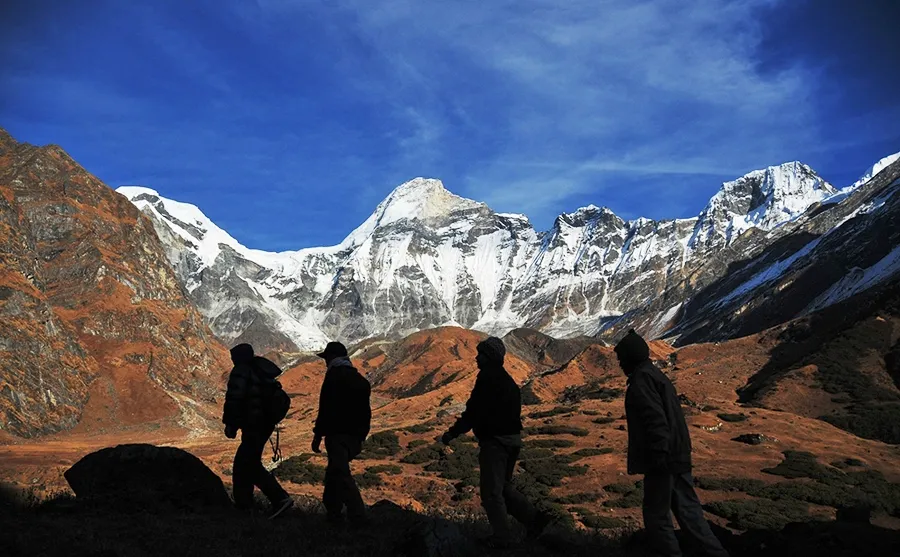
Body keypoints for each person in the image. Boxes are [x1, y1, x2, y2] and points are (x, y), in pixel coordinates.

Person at [615, 329, 729, 557]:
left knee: (657, 517)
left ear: (630, 357)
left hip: (663, 460)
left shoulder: (642, 380)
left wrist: (658, 456)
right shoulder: (655, 375)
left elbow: (655, 421)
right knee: (690, 513)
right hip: (677, 455)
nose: (619, 363)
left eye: (621, 358)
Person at [440, 336, 551, 549]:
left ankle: (502, 539)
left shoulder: (487, 379)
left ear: (488, 357)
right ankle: (535, 520)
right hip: (512, 440)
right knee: (504, 488)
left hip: (496, 442)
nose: (476, 358)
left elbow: (473, 411)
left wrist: (452, 433)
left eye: (480, 354)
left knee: (491, 492)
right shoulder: (507, 380)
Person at [223, 343, 294, 519]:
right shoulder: (261, 371)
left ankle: (278, 499)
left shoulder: (241, 371)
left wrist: (230, 424)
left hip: (253, 424)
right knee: (246, 462)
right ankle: (246, 505)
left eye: (233, 357)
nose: (231, 360)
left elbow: (234, 398)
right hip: (265, 424)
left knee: (246, 464)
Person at [312, 341, 372, 526]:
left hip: (337, 435)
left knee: (340, 475)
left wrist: (318, 435)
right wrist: (361, 436)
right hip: (355, 436)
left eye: (326, 358)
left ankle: (358, 517)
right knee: (334, 474)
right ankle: (333, 515)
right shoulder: (360, 379)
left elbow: (326, 409)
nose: (325, 362)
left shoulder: (333, 377)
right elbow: (366, 412)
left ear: (331, 358)